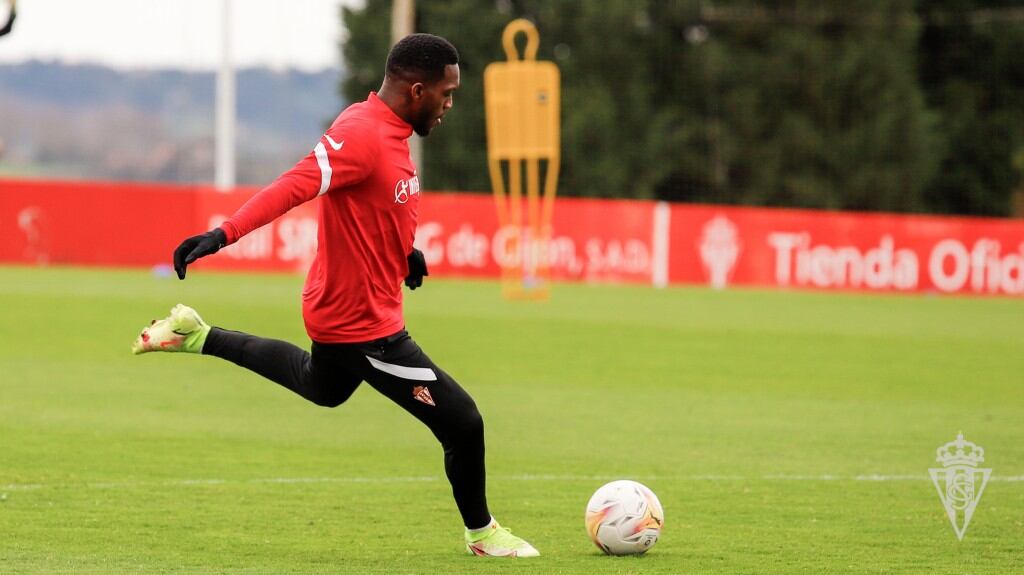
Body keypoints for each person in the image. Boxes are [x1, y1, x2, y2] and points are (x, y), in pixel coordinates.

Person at [131, 33, 539, 558]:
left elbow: (379, 206)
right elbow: (295, 183)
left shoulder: (390, 130)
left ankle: (198, 335)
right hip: (362, 326)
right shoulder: (361, 134)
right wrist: (224, 233)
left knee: (321, 386)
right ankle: (482, 535)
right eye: (446, 93)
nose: (450, 104)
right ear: (417, 91)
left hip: (348, 309)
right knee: (463, 422)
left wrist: (404, 253)